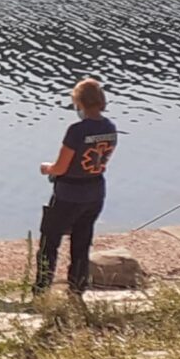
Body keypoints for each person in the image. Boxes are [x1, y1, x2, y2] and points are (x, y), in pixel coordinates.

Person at [33, 78, 118, 295]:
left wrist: (47, 168)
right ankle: (77, 288)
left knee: (49, 243)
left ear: (79, 103)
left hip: (69, 194)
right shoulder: (110, 128)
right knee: (81, 243)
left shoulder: (77, 130)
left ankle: (41, 289)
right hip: (95, 193)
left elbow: (61, 167)